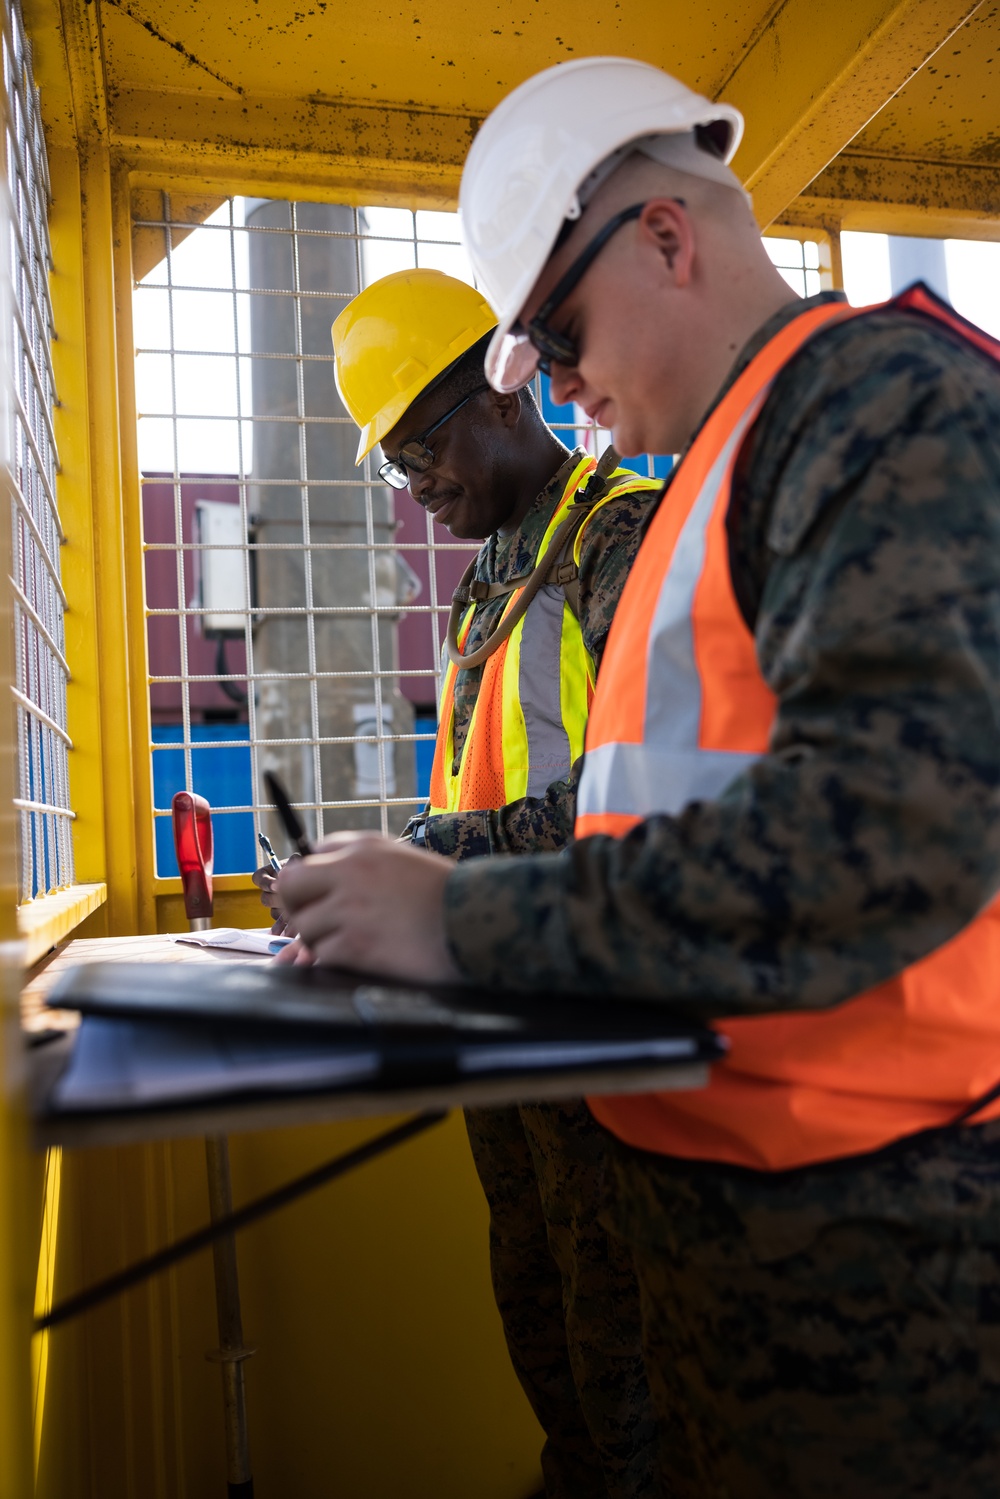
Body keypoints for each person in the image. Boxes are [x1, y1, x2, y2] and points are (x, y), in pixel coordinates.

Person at [275, 57, 1000, 1499]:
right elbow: (661, 811)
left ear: (666, 237)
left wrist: (460, 915)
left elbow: (892, 837)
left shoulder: (882, 406)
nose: (550, 381)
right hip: (738, 1231)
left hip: (880, 1255)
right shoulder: (723, 469)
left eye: (555, 330)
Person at [260, 266, 663, 1499]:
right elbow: (484, 794)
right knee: (541, 1326)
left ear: (507, 395)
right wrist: (369, 867)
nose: (417, 486)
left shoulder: (621, 541)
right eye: (395, 464)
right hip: (505, 1020)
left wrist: (426, 866)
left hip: (612, 1033)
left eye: (423, 446)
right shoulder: (492, 579)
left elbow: (640, 794)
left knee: (631, 1367)